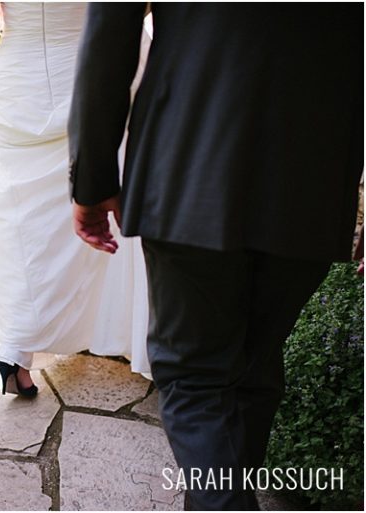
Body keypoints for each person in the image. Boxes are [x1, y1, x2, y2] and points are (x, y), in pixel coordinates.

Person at [68, 3, 363, 510]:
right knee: (254, 366)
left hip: (190, 160)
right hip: (312, 172)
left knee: (196, 378)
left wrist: (92, 180)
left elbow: (108, 33)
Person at [0, 2, 151, 397]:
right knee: (105, 187)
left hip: (21, 82)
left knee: (24, 208)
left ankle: (16, 350)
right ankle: (124, 328)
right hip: (85, 71)